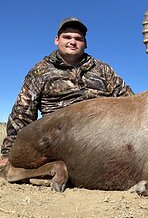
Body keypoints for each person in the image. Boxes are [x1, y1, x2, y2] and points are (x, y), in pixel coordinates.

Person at [0, 17, 133, 166]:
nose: (72, 41)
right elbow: (22, 113)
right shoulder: (40, 71)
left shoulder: (103, 70)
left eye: (78, 38)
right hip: (60, 139)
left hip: (103, 137)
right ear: (57, 40)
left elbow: (130, 102)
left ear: (85, 43)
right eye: (67, 37)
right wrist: (9, 152)